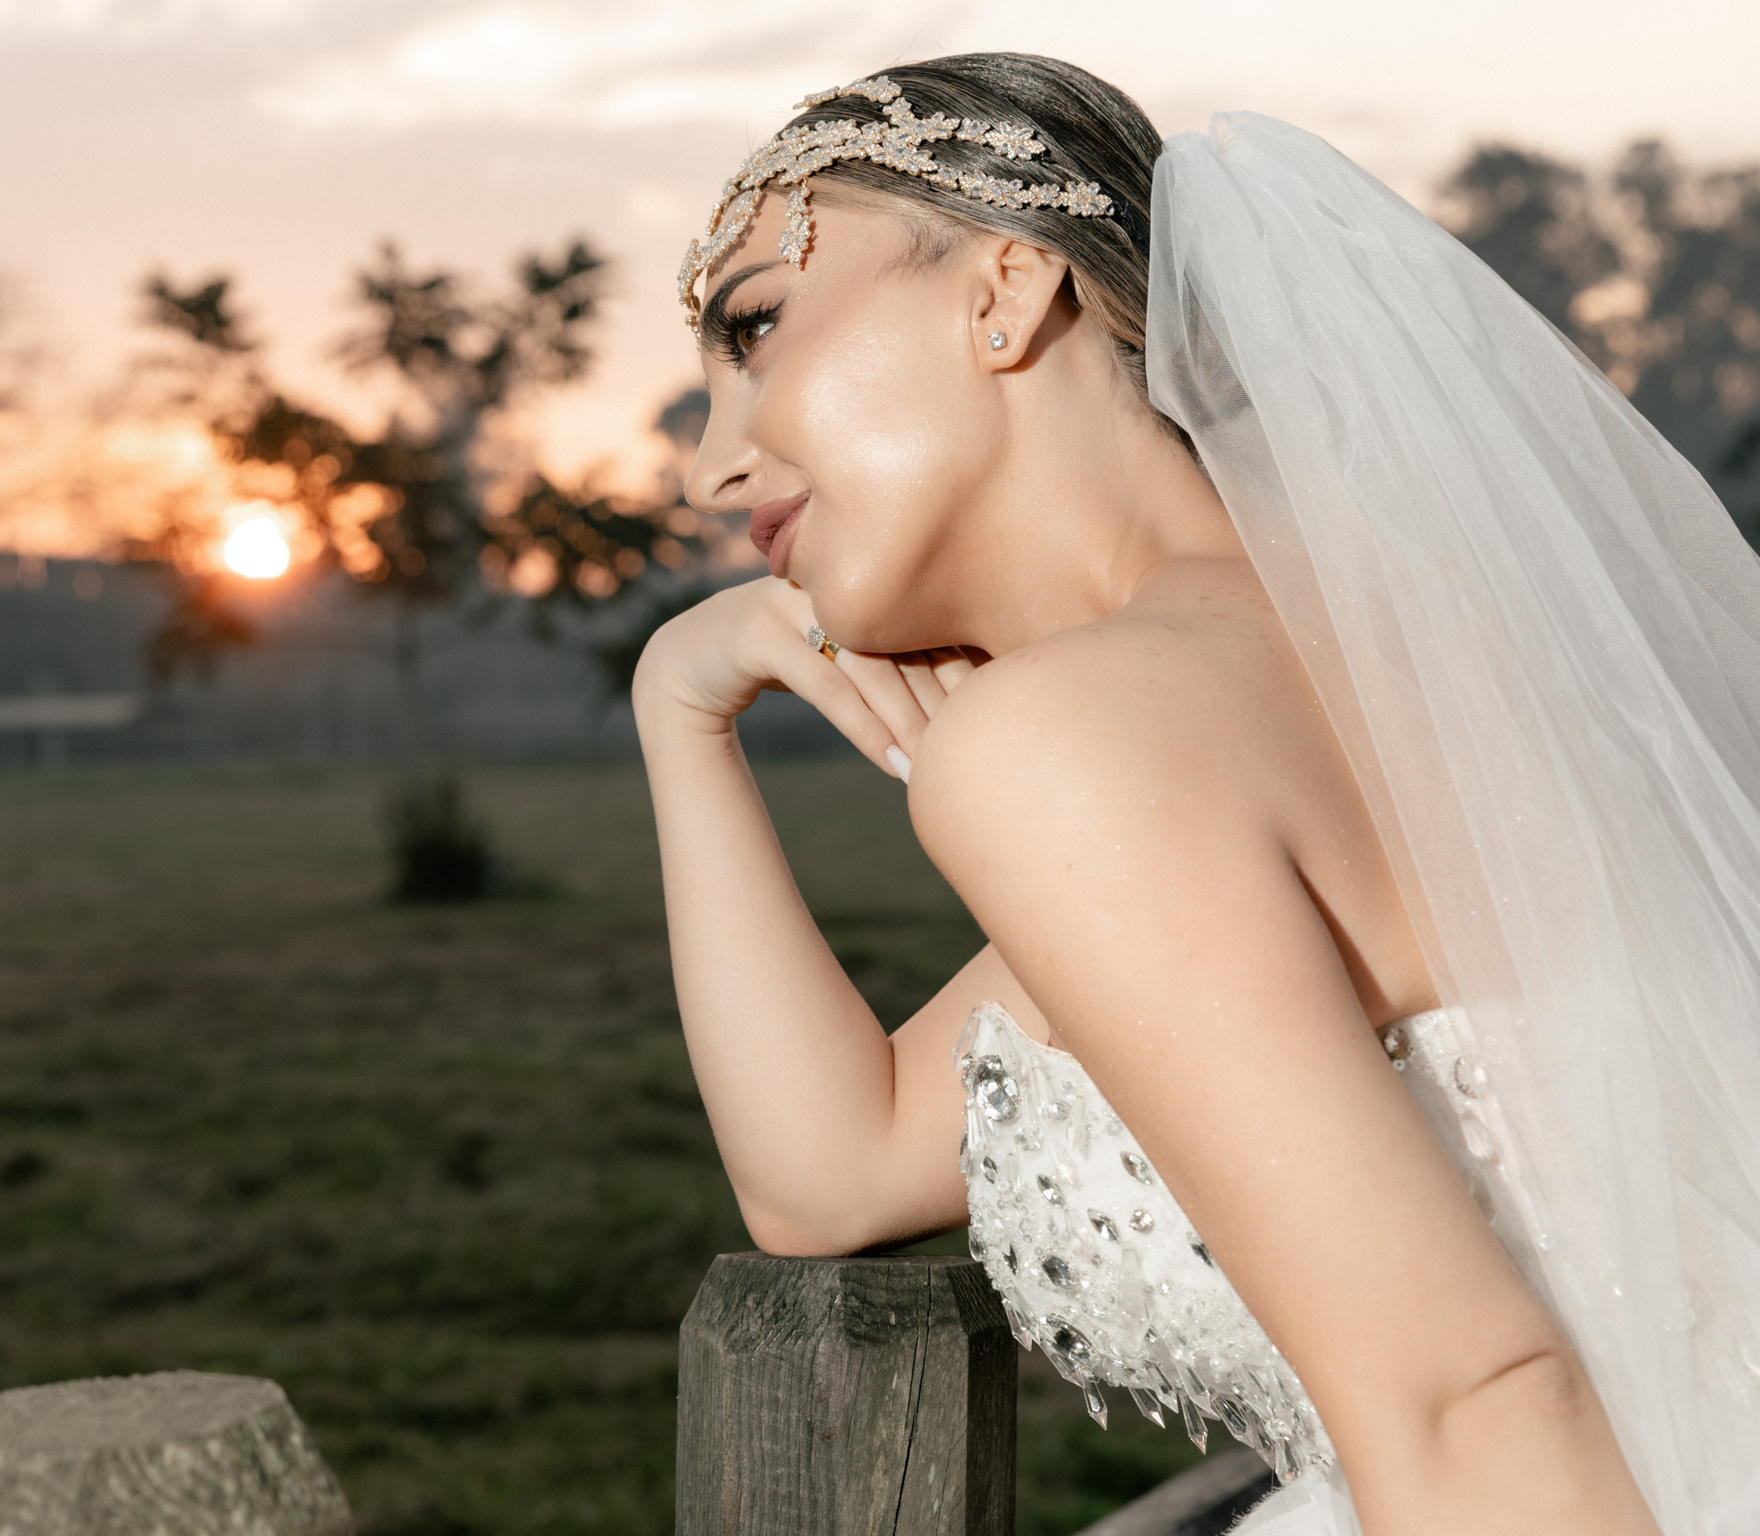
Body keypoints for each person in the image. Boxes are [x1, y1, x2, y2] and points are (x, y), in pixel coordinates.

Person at [634, 52, 1760, 1536]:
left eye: (758, 326)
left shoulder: (1076, 739)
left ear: (1003, 291)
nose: (711, 468)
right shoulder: (1400, 656)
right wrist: (682, 707)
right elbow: (833, 1174)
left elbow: (1473, 1402)